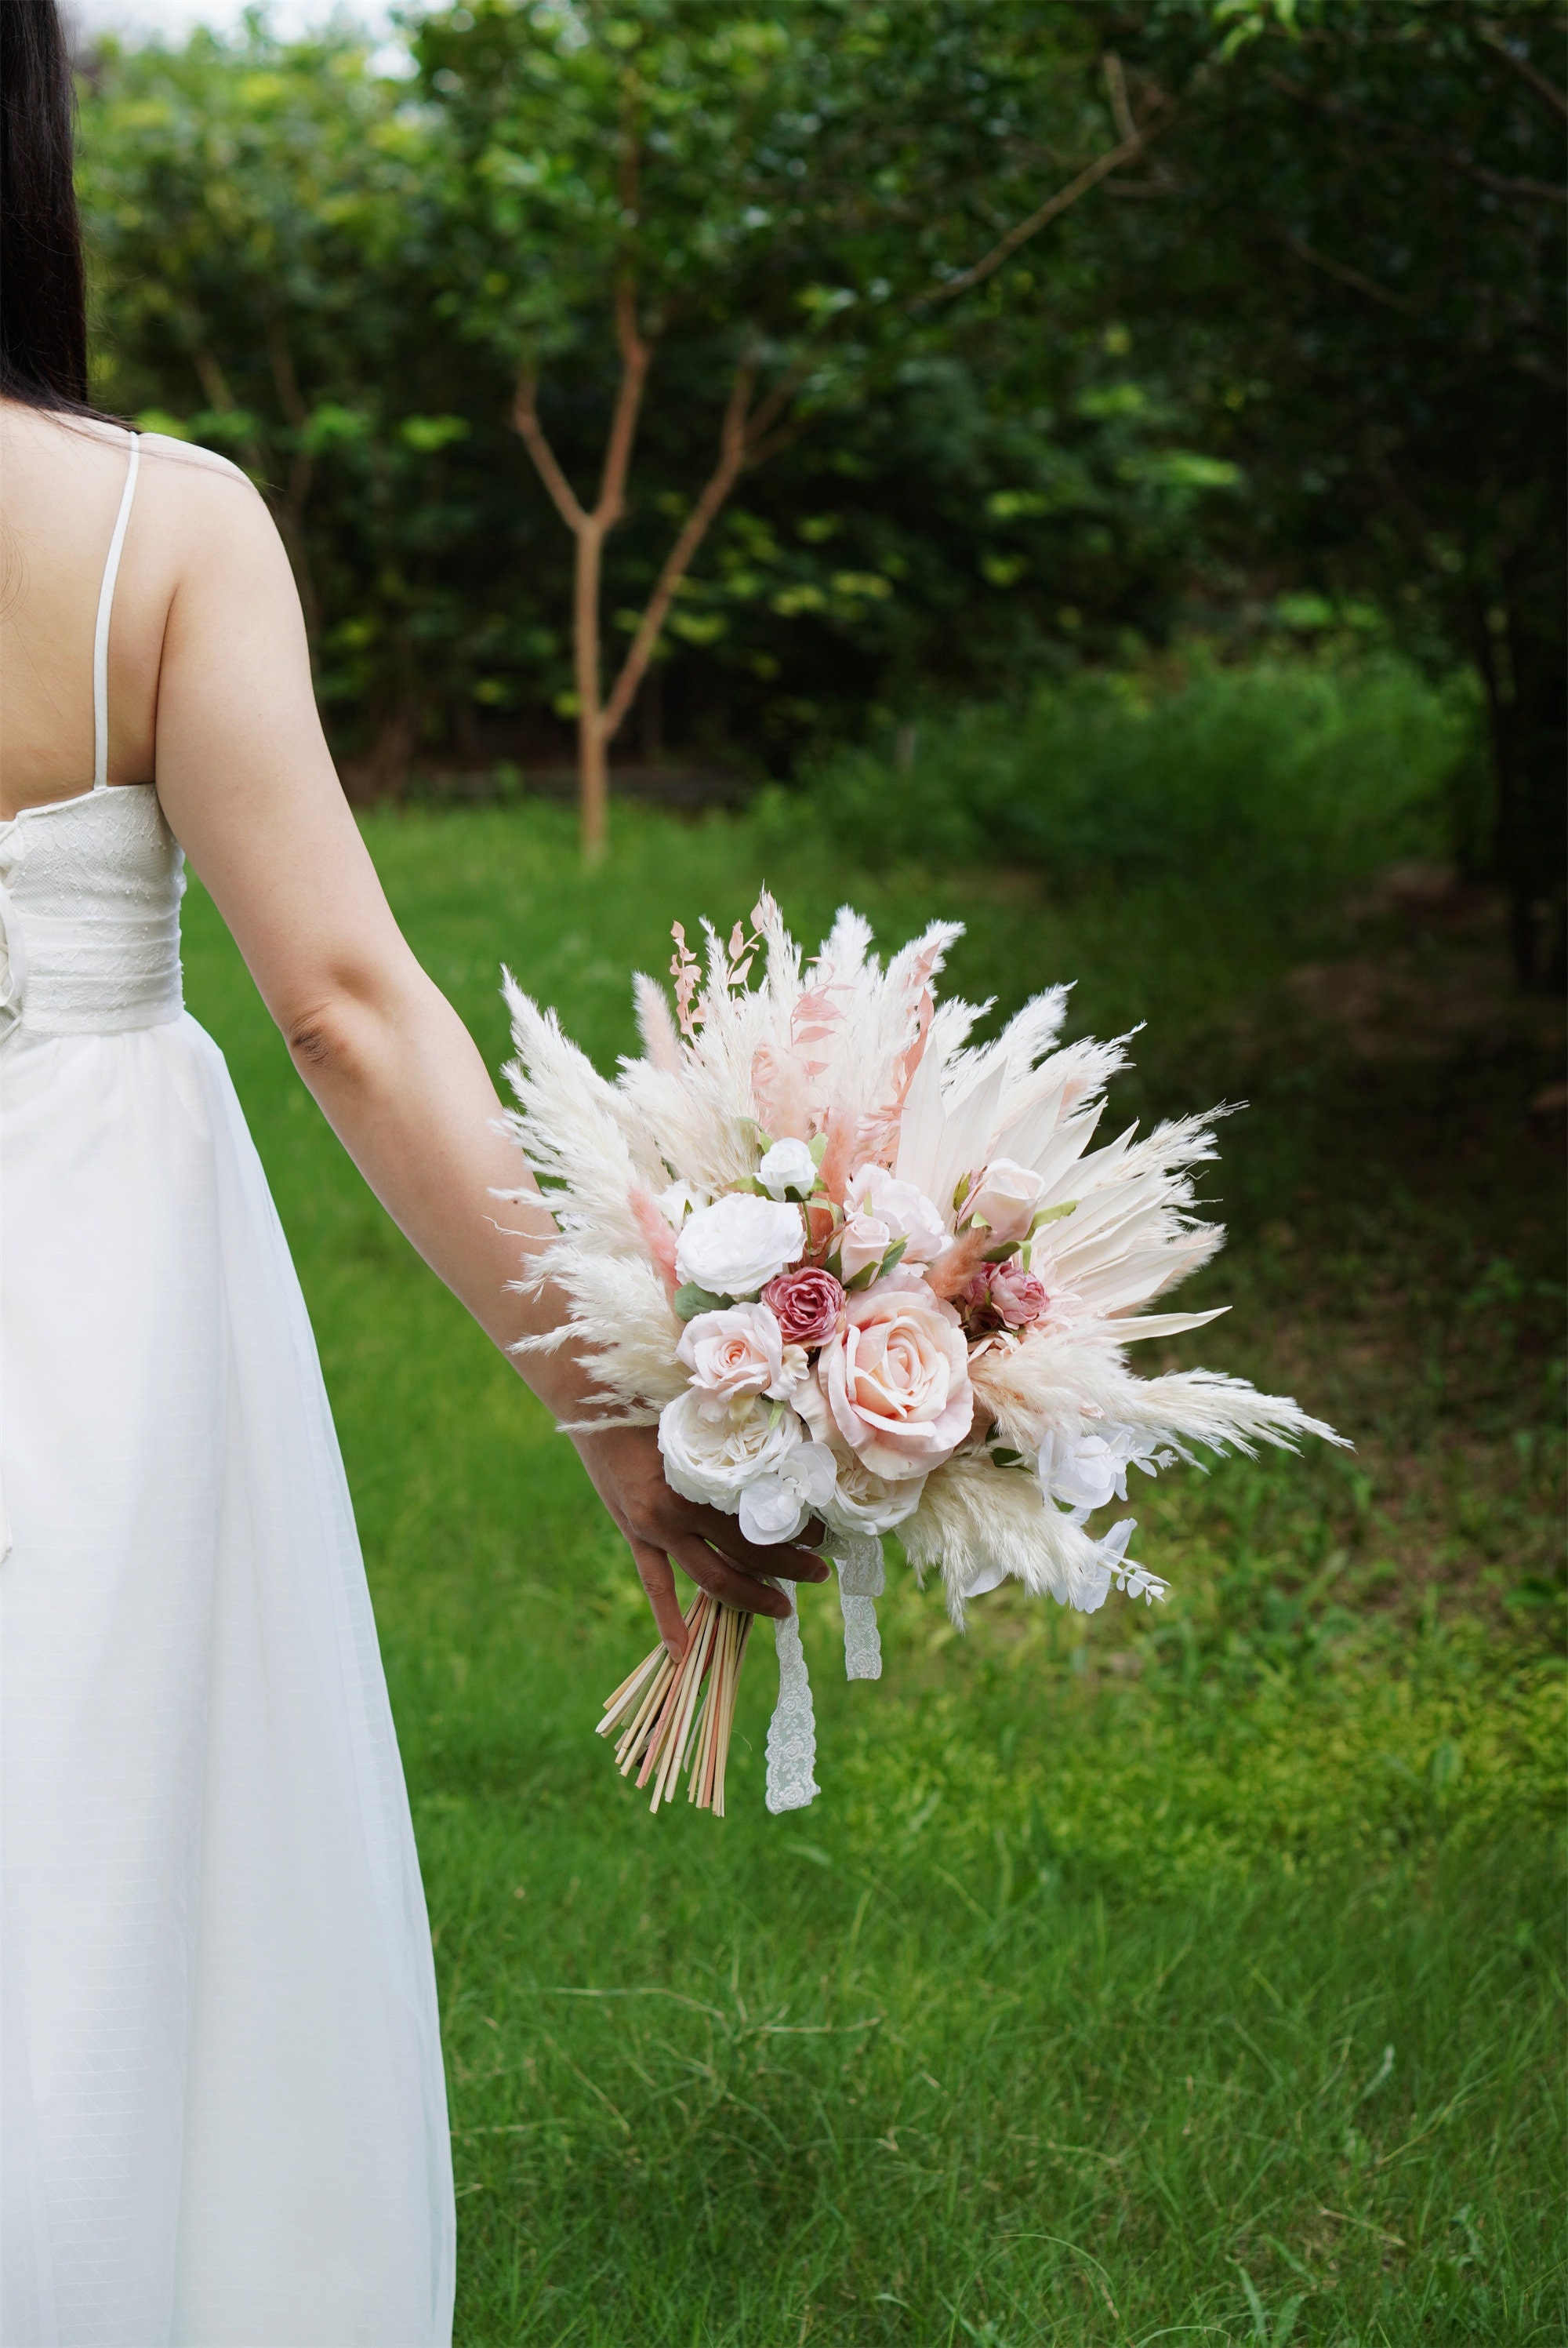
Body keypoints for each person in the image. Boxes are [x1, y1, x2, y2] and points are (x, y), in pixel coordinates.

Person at [0, 5, 829, 2339]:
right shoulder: (158, 530)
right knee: (96, 1858)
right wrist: (624, 1418)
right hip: (87, 1283)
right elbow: (348, 1009)